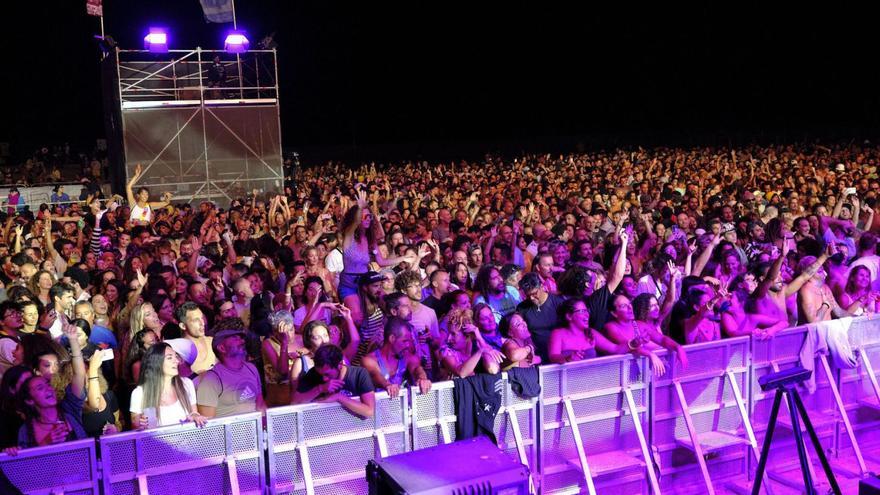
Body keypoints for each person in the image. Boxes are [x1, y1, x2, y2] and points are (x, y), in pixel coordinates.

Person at [129, 343, 207, 429]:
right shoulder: (139, 393)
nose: (176, 361)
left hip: (187, 440)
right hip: (157, 442)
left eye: (176, 357)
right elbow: (135, 426)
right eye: (170, 358)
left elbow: (193, 412)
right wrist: (140, 424)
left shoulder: (187, 384)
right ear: (156, 363)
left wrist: (195, 416)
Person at [197, 328, 266, 419]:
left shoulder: (251, 368)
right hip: (229, 432)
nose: (242, 341)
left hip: (254, 431)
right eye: (235, 338)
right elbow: (208, 422)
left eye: (241, 338)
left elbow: (260, 404)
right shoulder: (211, 379)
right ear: (222, 348)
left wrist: (265, 426)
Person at [291, 344, 375, 418]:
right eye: (320, 374)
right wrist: (320, 389)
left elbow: (369, 411)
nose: (324, 378)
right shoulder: (313, 373)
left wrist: (339, 397)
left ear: (340, 365)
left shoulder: (359, 374)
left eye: (327, 374)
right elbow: (295, 402)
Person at [360, 317, 431, 397]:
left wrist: (422, 379)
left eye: (409, 341)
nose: (408, 345)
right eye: (405, 341)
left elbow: (416, 368)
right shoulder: (369, 360)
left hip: (401, 406)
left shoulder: (407, 356)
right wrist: (387, 385)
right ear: (392, 338)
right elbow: (374, 374)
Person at [516, 272, 566, 362]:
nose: (531, 298)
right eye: (528, 295)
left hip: (559, 353)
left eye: (534, 293)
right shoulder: (522, 308)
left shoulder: (558, 303)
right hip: (536, 354)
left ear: (542, 287)